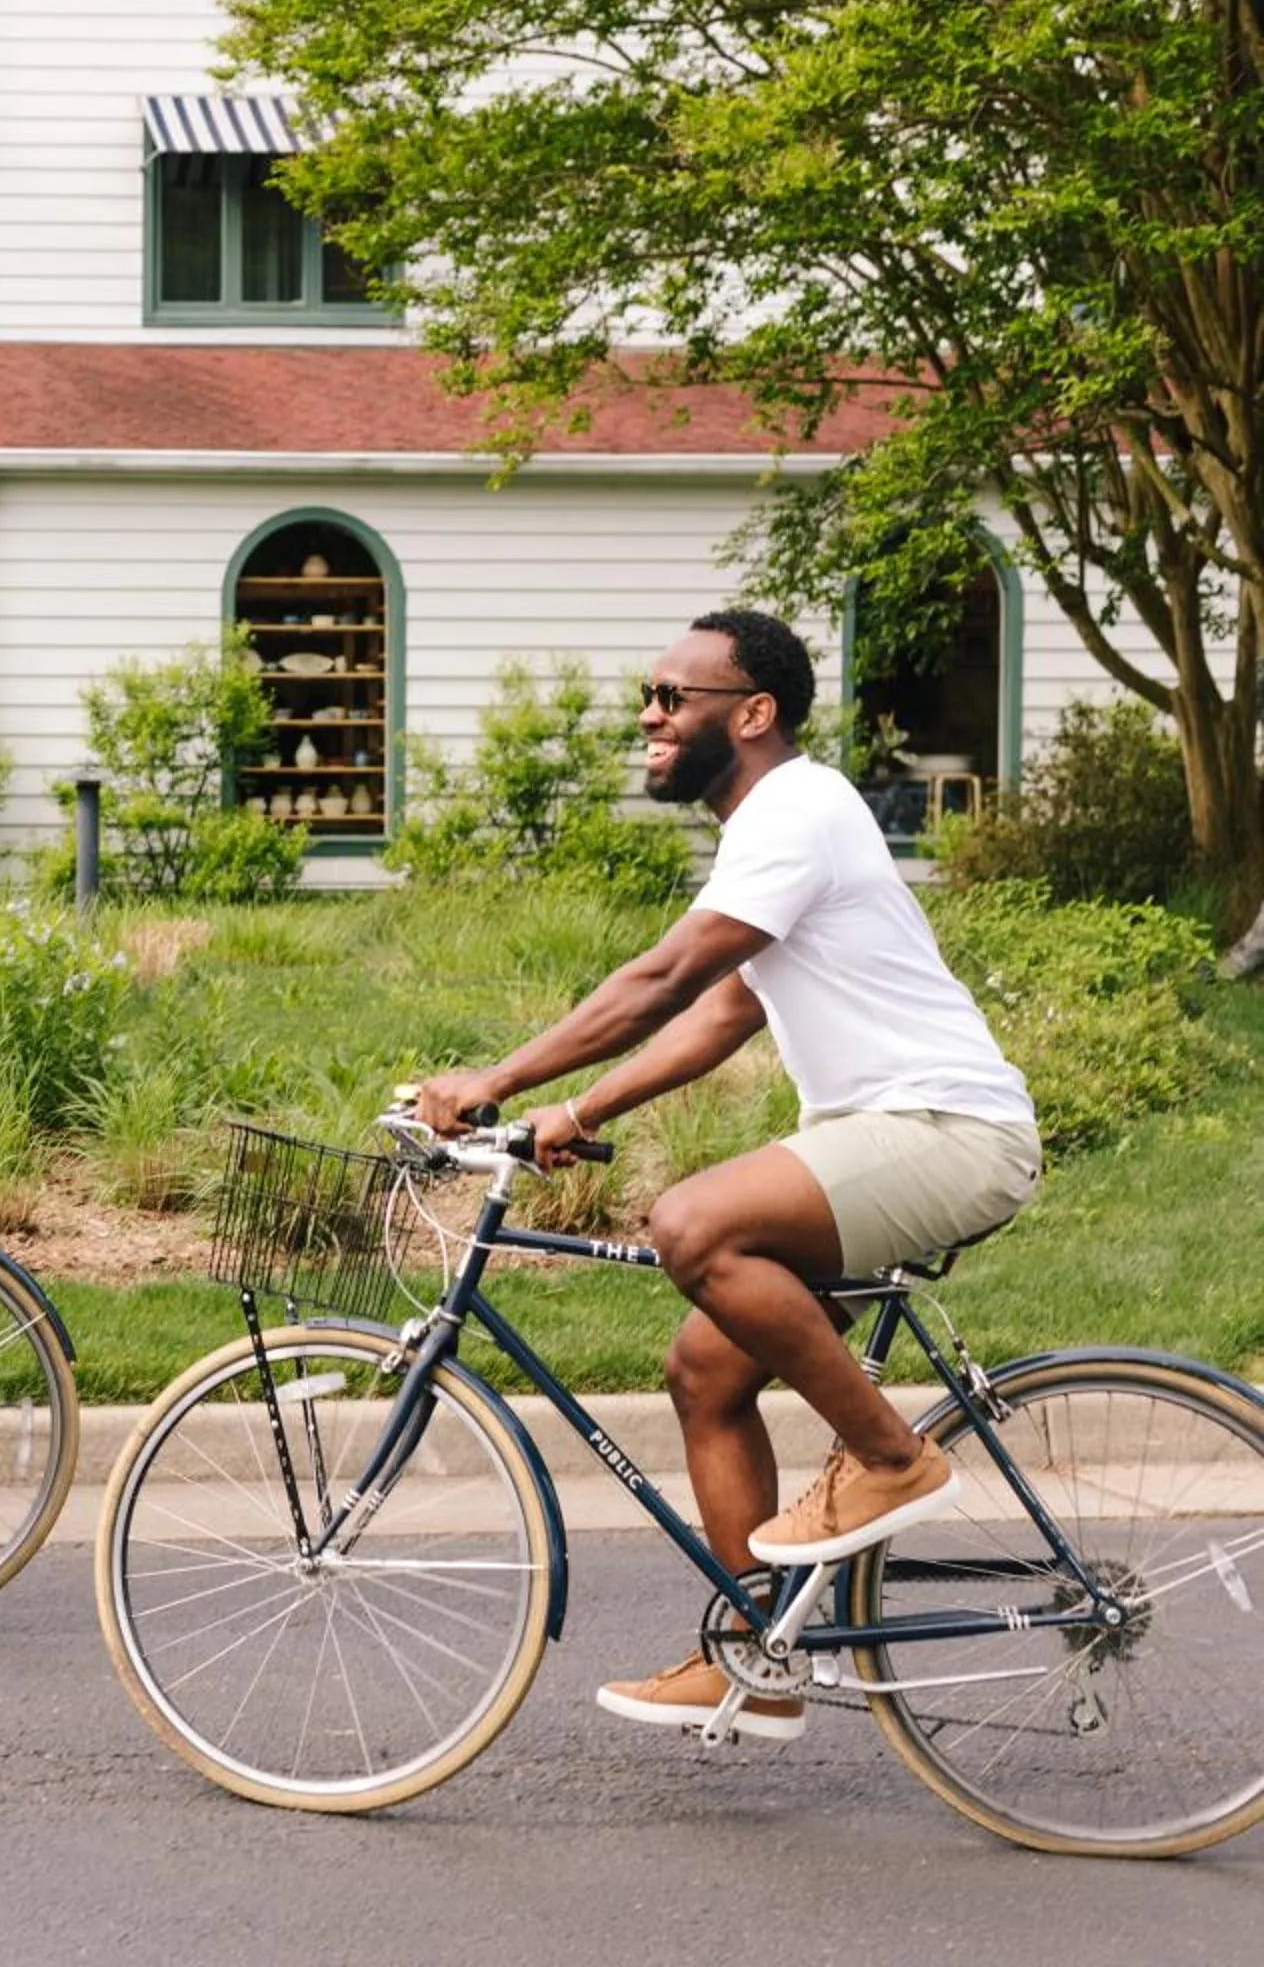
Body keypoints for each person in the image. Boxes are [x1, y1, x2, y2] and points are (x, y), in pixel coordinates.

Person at [414, 607, 1039, 1741]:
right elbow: (721, 1013)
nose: (650, 717)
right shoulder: (779, 827)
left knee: (691, 1223)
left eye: (674, 697)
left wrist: (496, 1077)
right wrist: (576, 1107)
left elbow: (664, 976)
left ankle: (891, 1458)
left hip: (947, 1129)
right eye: (647, 698)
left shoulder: (795, 806)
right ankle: (762, 1653)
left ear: (752, 713)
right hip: (890, 1134)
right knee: (706, 1369)